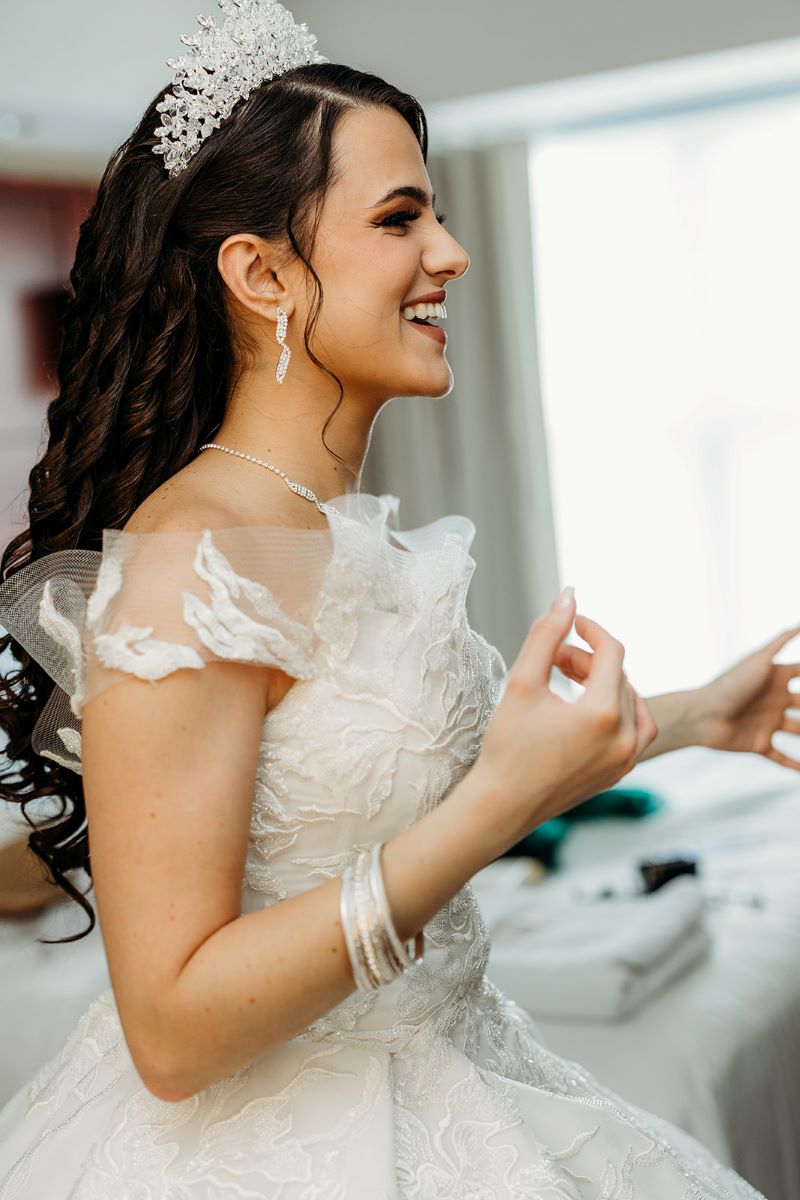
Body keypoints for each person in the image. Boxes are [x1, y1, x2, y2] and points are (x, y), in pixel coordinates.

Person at [0, 2, 797, 1195]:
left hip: (451, 1071)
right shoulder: (196, 560)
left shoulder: (329, 531)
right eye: (397, 218)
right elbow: (169, 1032)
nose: (450, 254)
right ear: (261, 273)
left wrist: (692, 719)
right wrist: (493, 812)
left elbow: (399, 786)